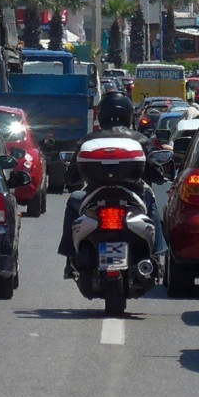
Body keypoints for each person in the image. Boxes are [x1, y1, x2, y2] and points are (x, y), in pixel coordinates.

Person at [58, 91, 167, 276]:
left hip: (94, 195)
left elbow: (72, 178)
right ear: (128, 113)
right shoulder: (140, 140)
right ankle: (156, 252)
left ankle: (70, 255)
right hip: (134, 195)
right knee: (150, 198)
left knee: (73, 201)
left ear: (101, 114)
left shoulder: (88, 140)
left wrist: (72, 180)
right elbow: (156, 173)